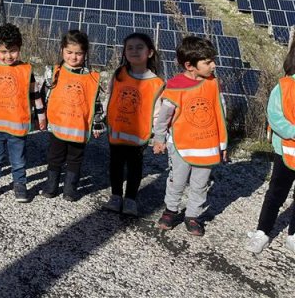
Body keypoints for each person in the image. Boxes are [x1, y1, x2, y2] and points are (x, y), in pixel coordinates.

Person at [154, 36, 228, 237]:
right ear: (190, 65)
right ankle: (171, 210)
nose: (213, 65)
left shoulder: (213, 84)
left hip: (207, 145)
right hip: (180, 145)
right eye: (208, 62)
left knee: (200, 184)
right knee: (176, 180)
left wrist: (223, 144)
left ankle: (193, 215)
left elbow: (220, 114)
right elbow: (164, 116)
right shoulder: (175, 86)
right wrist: (159, 138)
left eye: (213, 60)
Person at [0, 24, 43, 202]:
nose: (8, 56)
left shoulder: (26, 70)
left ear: (19, 49)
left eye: (13, 51)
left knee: (18, 159)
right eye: (3, 51)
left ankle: (20, 183)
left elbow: (35, 95)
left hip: (17, 124)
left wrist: (41, 116)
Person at [103, 33, 165, 217]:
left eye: (139, 47)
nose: (134, 51)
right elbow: (110, 96)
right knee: (115, 165)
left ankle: (130, 199)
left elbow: (157, 110)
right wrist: (105, 118)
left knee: (135, 167)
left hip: (139, 135)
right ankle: (115, 196)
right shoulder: (119, 74)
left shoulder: (156, 83)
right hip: (117, 131)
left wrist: (157, 135)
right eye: (129, 47)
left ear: (150, 53)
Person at [41, 30, 103, 202]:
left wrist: (97, 125)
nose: (73, 57)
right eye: (69, 52)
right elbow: (45, 96)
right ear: (62, 50)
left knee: (75, 159)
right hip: (57, 126)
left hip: (79, 128)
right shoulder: (53, 72)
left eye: (78, 53)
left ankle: (70, 189)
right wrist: (40, 117)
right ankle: (51, 186)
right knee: (55, 157)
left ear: (85, 54)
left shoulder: (91, 78)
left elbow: (95, 103)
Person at [246, 39, 295, 254]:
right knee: (276, 192)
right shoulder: (284, 86)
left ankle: (293, 235)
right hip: (286, 151)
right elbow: (275, 117)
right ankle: (263, 231)